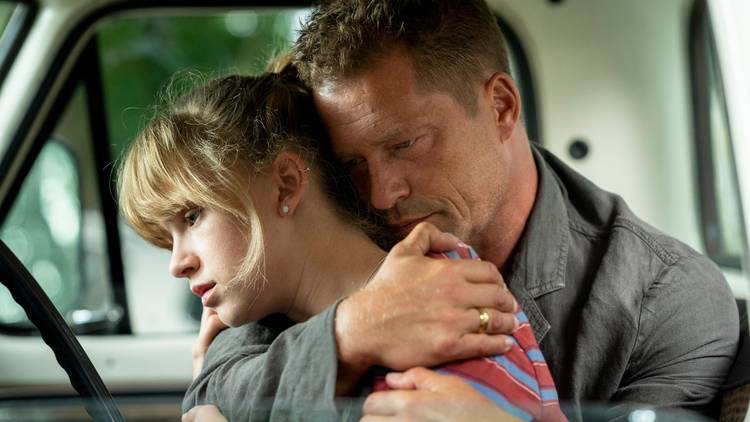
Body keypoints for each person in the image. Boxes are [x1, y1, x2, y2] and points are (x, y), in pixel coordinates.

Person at [186, 0, 740, 420]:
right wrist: (350, 333)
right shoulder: (327, 231)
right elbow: (211, 393)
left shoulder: (664, 299)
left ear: (500, 106)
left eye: (405, 145)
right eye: (352, 162)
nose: (380, 195)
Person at [117, 69, 566, 421]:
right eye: (168, 236)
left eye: (193, 216)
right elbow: (210, 389)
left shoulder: (443, 295)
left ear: (287, 184)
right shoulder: (256, 323)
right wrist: (350, 332)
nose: (177, 263)